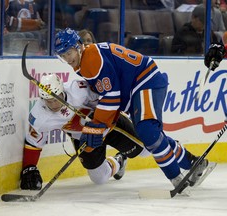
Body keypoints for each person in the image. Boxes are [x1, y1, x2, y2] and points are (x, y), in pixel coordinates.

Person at [53, 27, 214, 194]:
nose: (67, 58)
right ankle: (193, 163)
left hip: (145, 80)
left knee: (148, 132)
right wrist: (100, 126)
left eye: (69, 52)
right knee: (150, 136)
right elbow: (111, 94)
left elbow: (111, 97)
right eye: (63, 56)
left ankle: (177, 179)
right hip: (136, 88)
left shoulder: (90, 60)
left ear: (78, 46)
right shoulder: (86, 58)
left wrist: (97, 126)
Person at [21, 74, 147, 190]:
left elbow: (108, 97)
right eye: (49, 101)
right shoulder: (39, 116)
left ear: (62, 91)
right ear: (42, 99)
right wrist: (29, 167)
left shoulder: (78, 89)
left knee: (145, 150)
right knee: (100, 178)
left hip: (110, 126)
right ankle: (119, 160)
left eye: (56, 98)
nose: (54, 104)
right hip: (84, 139)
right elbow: (34, 142)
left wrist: (101, 121)